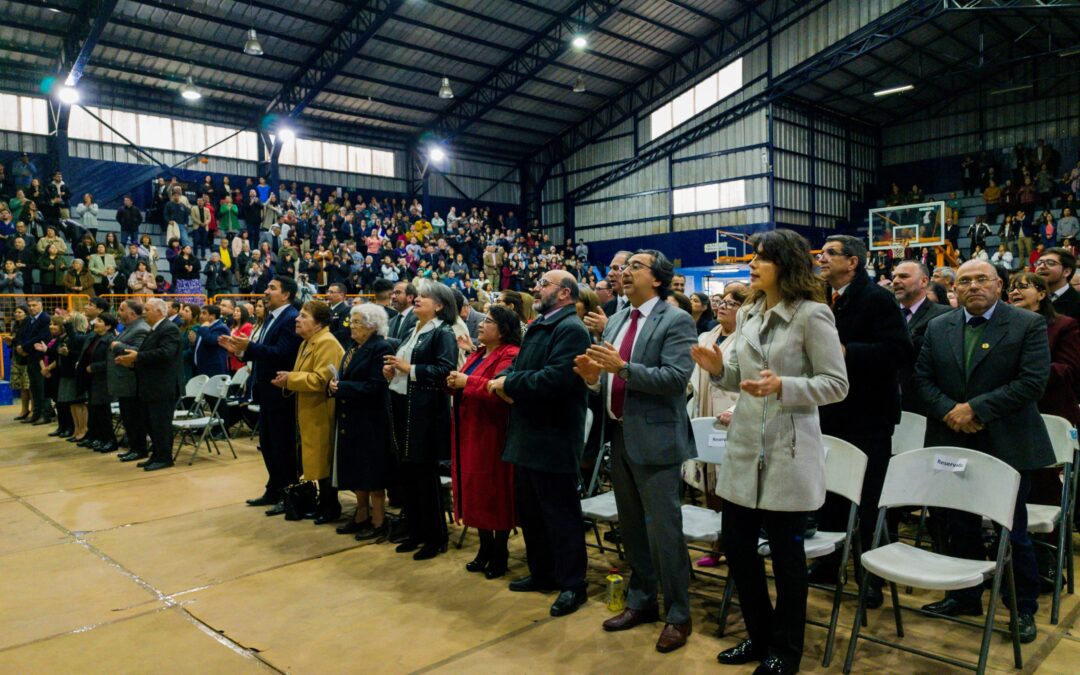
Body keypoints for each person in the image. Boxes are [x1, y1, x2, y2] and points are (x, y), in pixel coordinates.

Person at [692, 229, 848, 674]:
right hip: (744, 446)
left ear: (786, 263)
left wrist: (786, 386)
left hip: (788, 447)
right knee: (739, 550)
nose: (753, 264)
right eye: (753, 258)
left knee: (786, 559)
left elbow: (837, 385)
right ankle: (758, 637)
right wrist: (719, 368)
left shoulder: (813, 315)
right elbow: (737, 376)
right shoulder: (748, 315)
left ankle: (786, 650)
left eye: (762, 258)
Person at [914, 259, 1053, 644]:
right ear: (954, 289)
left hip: (1006, 442)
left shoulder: (1027, 324)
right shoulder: (939, 325)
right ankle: (965, 596)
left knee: (1013, 530)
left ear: (998, 285)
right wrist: (949, 410)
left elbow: (1032, 383)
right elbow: (922, 378)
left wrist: (974, 409)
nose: (973, 286)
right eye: (964, 281)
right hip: (953, 439)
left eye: (981, 279)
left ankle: (1022, 607)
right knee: (959, 525)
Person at [574, 249, 697, 653]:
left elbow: (676, 379)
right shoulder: (620, 319)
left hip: (657, 439)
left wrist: (622, 368)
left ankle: (679, 614)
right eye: (624, 268)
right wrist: (594, 379)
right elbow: (607, 379)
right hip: (620, 434)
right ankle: (641, 600)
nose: (624, 273)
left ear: (657, 279)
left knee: (665, 530)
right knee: (631, 528)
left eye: (635, 267)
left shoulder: (675, 319)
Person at [814, 234, 913, 609]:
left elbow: (899, 351)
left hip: (868, 415)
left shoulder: (877, 298)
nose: (821, 259)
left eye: (829, 254)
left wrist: (846, 352)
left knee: (868, 501)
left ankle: (871, 579)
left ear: (852, 261)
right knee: (830, 495)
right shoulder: (824, 297)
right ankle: (828, 563)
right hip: (830, 411)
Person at [487, 270, 591, 618]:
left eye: (544, 284)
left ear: (564, 293)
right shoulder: (540, 325)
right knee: (532, 511)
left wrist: (509, 384)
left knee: (560, 515)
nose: (536, 287)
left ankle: (573, 584)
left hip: (554, 435)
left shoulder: (571, 329)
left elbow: (557, 378)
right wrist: (506, 378)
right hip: (529, 433)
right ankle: (543, 572)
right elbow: (519, 363)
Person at [383, 281, 458, 560]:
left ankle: (435, 537)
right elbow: (405, 366)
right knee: (408, 475)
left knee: (425, 478)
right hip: (405, 405)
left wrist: (408, 368)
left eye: (424, 297)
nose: (418, 299)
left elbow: (444, 370)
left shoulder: (443, 332)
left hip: (427, 412)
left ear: (439, 305)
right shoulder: (413, 330)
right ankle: (415, 531)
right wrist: (393, 371)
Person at [446, 305, 521, 579]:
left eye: (488, 321)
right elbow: (467, 381)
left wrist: (466, 381)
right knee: (474, 488)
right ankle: (485, 547)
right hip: (468, 429)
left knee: (494, 491)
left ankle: (499, 551)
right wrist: (453, 381)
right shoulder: (478, 353)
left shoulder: (510, 354)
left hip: (492, 431)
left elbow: (499, 391)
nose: (480, 324)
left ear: (503, 330)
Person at [220, 277, 302, 515]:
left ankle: (288, 494)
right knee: (268, 444)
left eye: (272, 288)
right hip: (266, 390)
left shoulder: (289, 318)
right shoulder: (272, 317)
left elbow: (283, 354)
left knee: (282, 446)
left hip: (281, 391)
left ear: (286, 294)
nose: (266, 292)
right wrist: (240, 351)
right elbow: (263, 353)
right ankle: (274, 488)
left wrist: (249, 347)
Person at [686, 283, 748, 568]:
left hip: (733, 415)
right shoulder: (707, 335)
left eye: (732, 303)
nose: (722, 305)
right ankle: (716, 545)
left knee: (730, 484)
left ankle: (736, 546)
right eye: (721, 301)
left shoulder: (746, 338)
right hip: (706, 411)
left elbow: (749, 380)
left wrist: (737, 409)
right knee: (710, 481)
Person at [1007, 272, 1080, 510]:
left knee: (1043, 482)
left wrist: (1023, 374)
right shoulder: (1004, 327)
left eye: (1023, 287)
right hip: (1010, 410)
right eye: (1012, 288)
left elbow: (1066, 368)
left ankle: (1045, 543)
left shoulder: (1063, 325)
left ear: (1041, 293)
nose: (1015, 292)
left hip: (1049, 409)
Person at [274, 300, 346, 524]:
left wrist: (290, 379)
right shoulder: (308, 342)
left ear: (318, 323)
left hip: (322, 411)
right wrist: (289, 379)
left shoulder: (326, 343)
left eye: (304, 316)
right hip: (309, 411)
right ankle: (322, 504)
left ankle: (330, 507)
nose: (297, 319)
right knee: (314, 461)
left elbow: (319, 380)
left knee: (323, 461)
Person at [330, 303, 396, 540]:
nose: (351, 326)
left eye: (357, 322)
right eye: (352, 321)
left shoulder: (380, 347)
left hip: (372, 419)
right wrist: (335, 386)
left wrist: (343, 387)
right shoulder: (353, 347)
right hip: (352, 416)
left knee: (373, 472)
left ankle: (378, 520)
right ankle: (360, 515)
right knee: (357, 470)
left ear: (372, 326)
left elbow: (376, 386)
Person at [115, 298, 182, 471]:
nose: (144, 312)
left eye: (147, 309)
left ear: (159, 311)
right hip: (150, 385)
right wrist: (131, 362)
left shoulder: (169, 329)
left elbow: (166, 353)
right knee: (151, 423)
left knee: (161, 424)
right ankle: (156, 454)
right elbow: (148, 354)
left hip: (162, 386)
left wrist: (137, 357)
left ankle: (165, 457)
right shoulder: (154, 329)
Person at [891, 260, 952, 415]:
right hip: (889, 403)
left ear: (924, 281)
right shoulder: (884, 313)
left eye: (903, 276)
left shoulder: (944, 315)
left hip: (926, 404)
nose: (896, 281)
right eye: (894, 277)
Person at [112, 301, 151, 461]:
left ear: (132, 314)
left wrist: (117, 345)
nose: (118, 312)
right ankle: (134, 447)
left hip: (132, 381)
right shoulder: (130, 327)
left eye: (121, 309)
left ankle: (140, 449)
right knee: (128, 417)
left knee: (134, 417)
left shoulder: (141, 328)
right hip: (124, 380)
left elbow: (137, 352)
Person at [81, 313, 118, 452]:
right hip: (93, 379)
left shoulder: (110, 339)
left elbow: (110, 361)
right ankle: (100, 438)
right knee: (95, 410)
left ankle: (110, 440)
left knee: (104, 412)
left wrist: (94, 367)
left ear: (108, 326)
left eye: (100, 321)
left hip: (103, 380)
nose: (95, 322)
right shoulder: (95, 337)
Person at [16, 298, 53, 425]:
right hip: (30, 357)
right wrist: (20, 346)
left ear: (41, 305)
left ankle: (45, 414)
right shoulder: (28, 320)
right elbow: (22, 335)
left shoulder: (45, 319)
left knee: (42, 387)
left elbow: (42, 337)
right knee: (34, 387)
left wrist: (24, 347)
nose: (31, 308)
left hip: (40, 357)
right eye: (30, 305)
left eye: (34, 305)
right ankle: (36, 413)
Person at [1035, 246, 1080, 321]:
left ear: (1066, 272)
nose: (1041, 266)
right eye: (1038, 263)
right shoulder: (1030, 298)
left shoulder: (1077, 302)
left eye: (1050, 263)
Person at [192, 304, 230, 377]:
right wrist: (193, 342)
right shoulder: (205, 326)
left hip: (213, 370)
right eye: (201, 313)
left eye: (204, 313)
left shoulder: (221, 328)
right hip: (202, 368)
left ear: (212, 316)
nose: (200, 316)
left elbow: (210, 341)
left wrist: (204, 328)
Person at [227, 304, 254, 372]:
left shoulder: (247, 326)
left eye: (238, 311)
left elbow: (243, 345)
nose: (235, 313)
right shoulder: (232, 327)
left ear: (243, 313)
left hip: (240, 361)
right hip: (230, 360)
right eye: (234, 311)